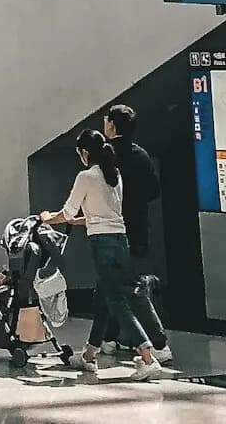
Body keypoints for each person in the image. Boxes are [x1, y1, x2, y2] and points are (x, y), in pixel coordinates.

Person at [42, 130, 167, 381]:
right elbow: (97, 216)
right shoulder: (114, 175)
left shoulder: (86, 176)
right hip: (120, 242)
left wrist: (47, 219)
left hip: (102, 245)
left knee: (116, 301)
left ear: (85, 152)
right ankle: (89, 355)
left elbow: (67, 213)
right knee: (104, 298)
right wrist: (72, 220)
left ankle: (147, 357)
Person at [97, 105, 171, 362]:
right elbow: (153, 191)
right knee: (115, 285)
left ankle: (158, 343)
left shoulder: (105, 157)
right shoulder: (141, 155)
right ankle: (106, 339)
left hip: (111, 231)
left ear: (113, 126)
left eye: (107, 121)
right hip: (138, 228)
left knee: (129, 289)